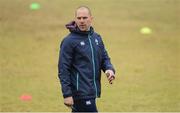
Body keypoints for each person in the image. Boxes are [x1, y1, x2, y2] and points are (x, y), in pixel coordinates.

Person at [58, 6, 115, 112]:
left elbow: (104, 57)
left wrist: (109, 69)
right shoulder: (69, 41)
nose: (82, 21)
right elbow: (63, 69)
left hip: (92, 90)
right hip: (80, 92)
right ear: (75, 19)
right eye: (79, 18)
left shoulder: (96, 38)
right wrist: (67, 94)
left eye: (84, 18)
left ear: (91, 19)